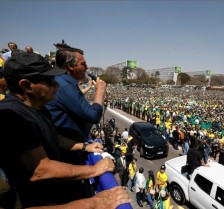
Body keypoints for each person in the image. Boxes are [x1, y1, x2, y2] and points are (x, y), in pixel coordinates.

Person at [0, 53, 128, 208]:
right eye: (49, 81)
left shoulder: (37, 108)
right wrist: (93, 171)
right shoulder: (12, 116)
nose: (57, 85)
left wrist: (83, 146)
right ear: (26, 86)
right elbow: (40, 170)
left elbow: (53, 138)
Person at [45, 45, 106, 142]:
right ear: (70, 66)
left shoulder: (62, 81)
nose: (87, 67)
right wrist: (100, 90)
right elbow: (94, 116)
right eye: (83, 64)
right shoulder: (65, 87)